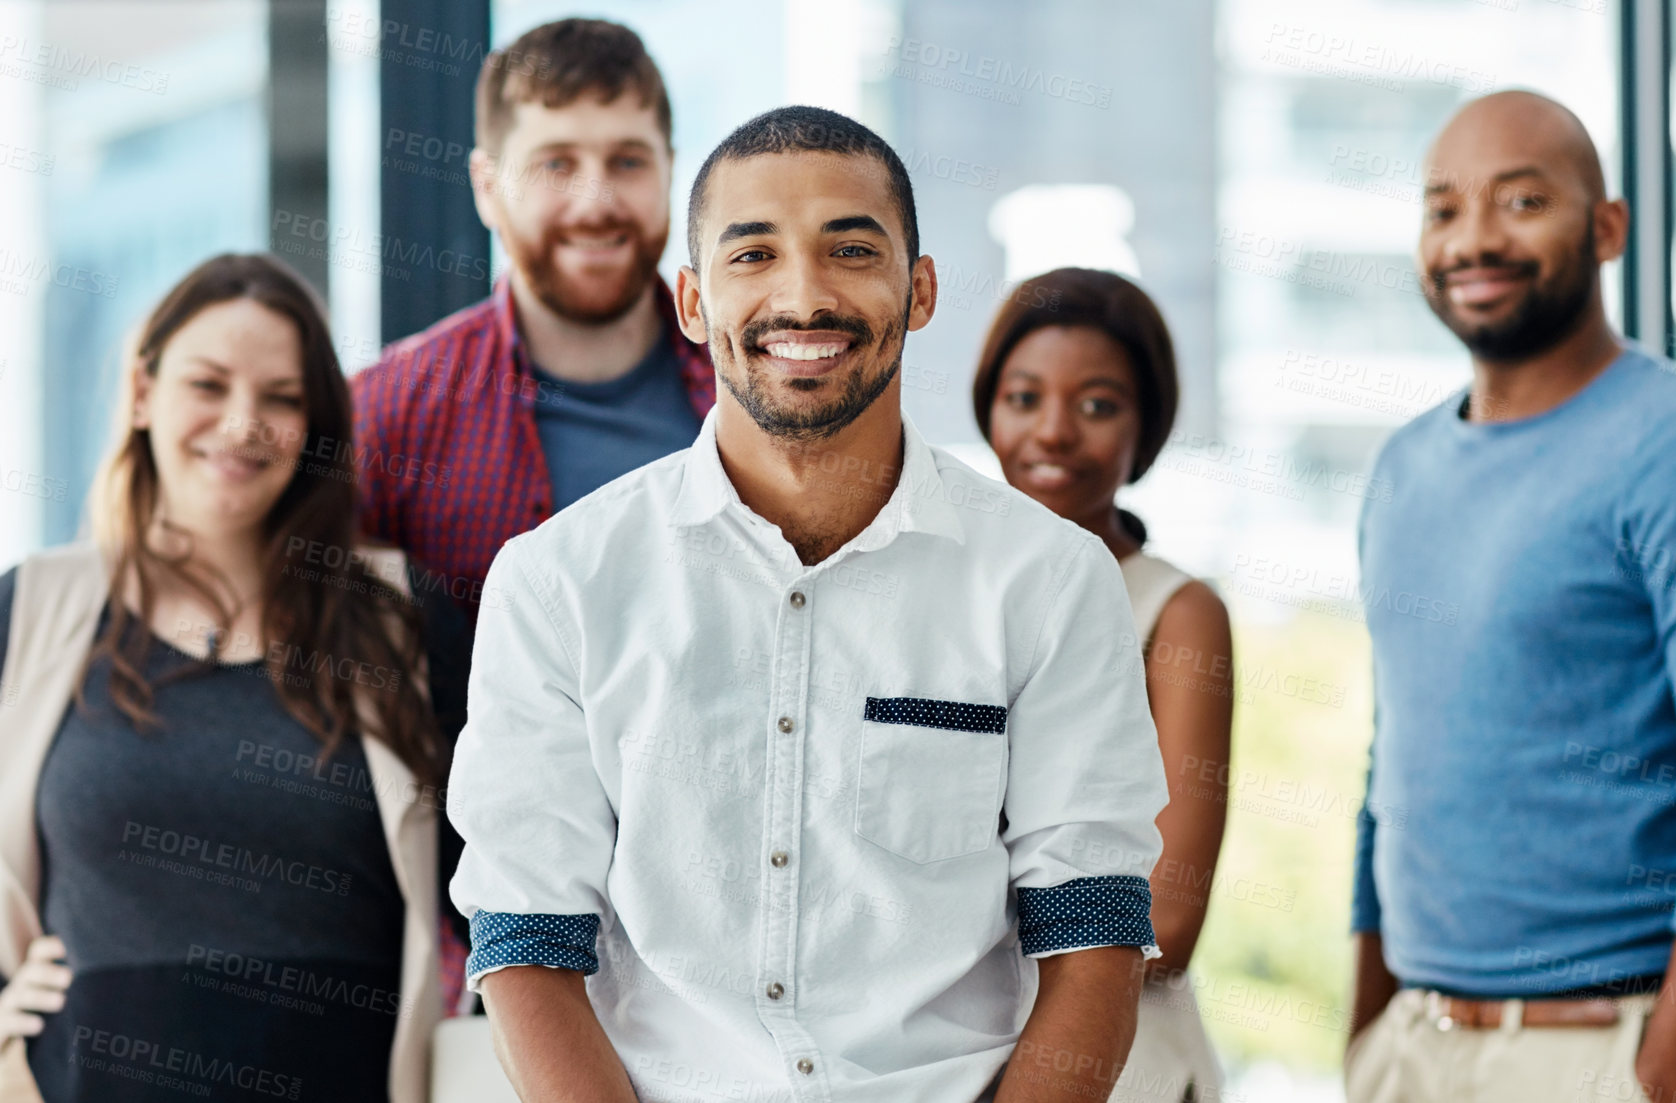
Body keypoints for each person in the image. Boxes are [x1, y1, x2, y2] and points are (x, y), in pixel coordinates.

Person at [446, 106, 1169, 1102]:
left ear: (916, 290)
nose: (803, 295)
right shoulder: (557, 579)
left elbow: (1094, 932)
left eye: (850, 248)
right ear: (693, 302)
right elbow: (524, 935)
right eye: (752, 256)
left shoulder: (1046, 578)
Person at [0, 254, 468, 1103]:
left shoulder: (401, 617)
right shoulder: (31, 610)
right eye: (207, 384)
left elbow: (505, 873)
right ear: (143, 393)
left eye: (281, 397)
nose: (242, 421)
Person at [1348, 90, 1676, 1103]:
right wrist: (1364, 1034)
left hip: (1604, 1044)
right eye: (1442, 208)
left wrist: (1662, 1073)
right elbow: (1392, 763)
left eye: (1520, 202)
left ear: (1605, 227)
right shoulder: (1399, 466)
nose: (1473, 238)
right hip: (1414, 1047)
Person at [352, 17, 715, 629]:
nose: (595, 202)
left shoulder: (754, 388)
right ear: (488, 188)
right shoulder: (387, 414)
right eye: (555, 164)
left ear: (670, 171)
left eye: (628, 161)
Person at [974, 267, 1232, 1103]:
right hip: (963, 1059)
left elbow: (1173, 915)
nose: (1052, 432)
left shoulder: (1174, 611)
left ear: (1143, 429)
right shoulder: (941, 588)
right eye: (1023, 397)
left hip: (1126, 1067)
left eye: (1096, 405)